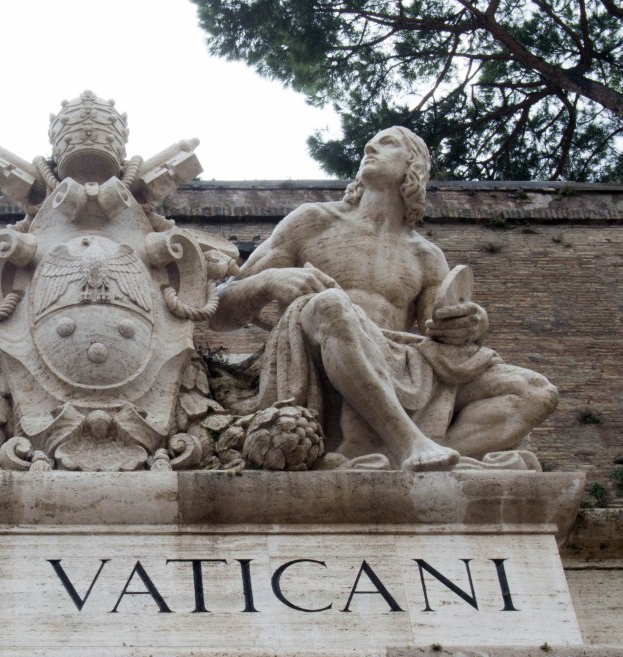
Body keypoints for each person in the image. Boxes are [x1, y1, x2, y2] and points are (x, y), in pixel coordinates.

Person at [213, 126, 557, 471]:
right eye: (369, 145)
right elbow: (219, 311)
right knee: (330, 303)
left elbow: (441, 328)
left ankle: (416, 456)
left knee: (535, 391)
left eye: (387, 143)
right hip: (321, 363)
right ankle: (409, 443)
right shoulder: (313, 221)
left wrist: (472, 322)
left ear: (415, 166)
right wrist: (271, 280)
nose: (370, 148)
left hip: (398, 358)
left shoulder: (426, 255)